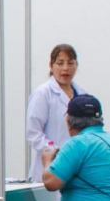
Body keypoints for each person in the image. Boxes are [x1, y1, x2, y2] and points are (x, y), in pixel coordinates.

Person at [24, 44, 87, 182]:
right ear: (51, 65)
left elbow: (90, 129)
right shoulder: (42, 94)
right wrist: (56, 150)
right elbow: (33, 133)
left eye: (70, 63)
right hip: (51, 165)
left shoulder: (82, 93)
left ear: (76, 65)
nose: (65, 68)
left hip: (76, 167)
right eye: (60, 63)